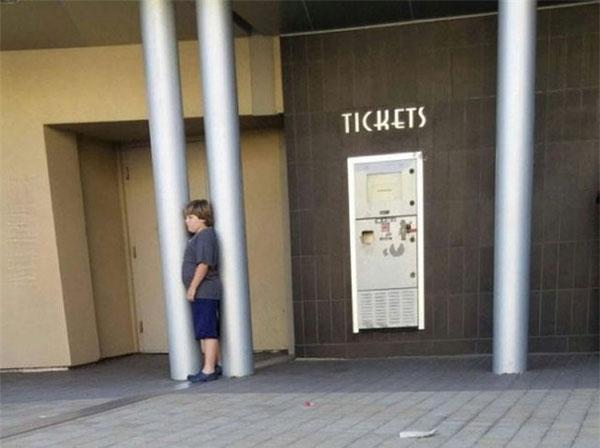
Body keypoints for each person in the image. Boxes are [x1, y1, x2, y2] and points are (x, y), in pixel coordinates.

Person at [181, 199, 222, 383]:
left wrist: (193, 287)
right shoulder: (200, 236)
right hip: (203, 291)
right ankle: (214, 364)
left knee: (207, 329)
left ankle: (209, 369)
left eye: (191, 217)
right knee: (204, 328)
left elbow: (204, 264)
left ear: (203, 218)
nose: (187, 221)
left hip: (205, 290)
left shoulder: (205, 235)